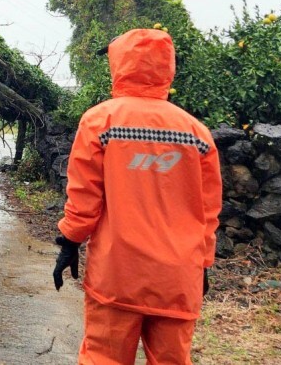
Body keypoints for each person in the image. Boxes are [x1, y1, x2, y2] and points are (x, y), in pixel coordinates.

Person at [53, 28, 222, 364]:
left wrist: (70, 241)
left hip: (118, 274)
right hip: (177, 278)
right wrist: (202, 263)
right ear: (168, 69)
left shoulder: (101, 121)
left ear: (119, 64)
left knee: (104, 358)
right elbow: (207, 211)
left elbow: (85, 196)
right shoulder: (196, 132)